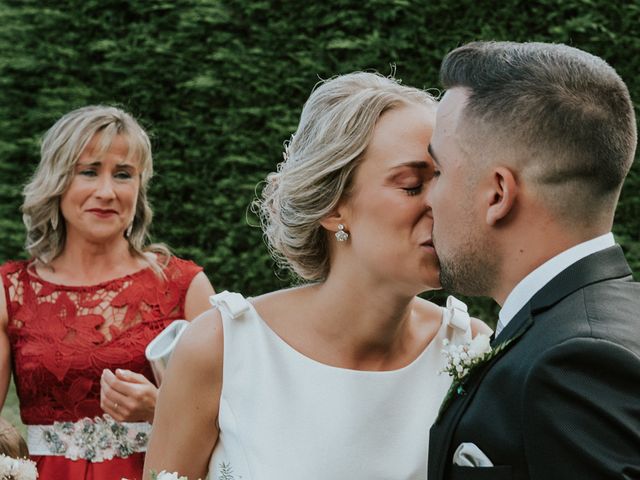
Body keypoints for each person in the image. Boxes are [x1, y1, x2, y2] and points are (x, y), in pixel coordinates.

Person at [144, 72, 491, 480]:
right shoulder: (222, 349)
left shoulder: (471, 349)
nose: (442, 204)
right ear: (332, 208)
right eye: (413, 186)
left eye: (445, 180)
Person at [426, 41, 640, 479]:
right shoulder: (606, 323)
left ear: (498, 194)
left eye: (438, 172)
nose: (428, 200)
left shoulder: (571, 367)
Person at [0, 105, 215, 480]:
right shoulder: (11, 291)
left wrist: (161, 408)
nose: (106, 191)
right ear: (57, 181)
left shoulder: (185, 286)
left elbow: (233, 416)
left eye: (123, 175)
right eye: (88, 172)